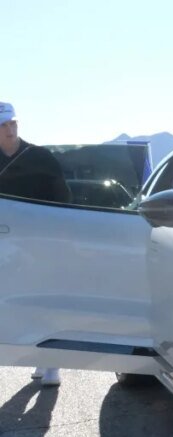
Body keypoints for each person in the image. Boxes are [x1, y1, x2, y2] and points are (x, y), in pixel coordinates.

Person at [0, 101, 71, 387]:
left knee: (43, 301)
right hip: (4, 244)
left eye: (12, 123)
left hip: (41, 244)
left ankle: (51, 362)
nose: (9, 129)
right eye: (3, 125)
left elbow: (63, 198)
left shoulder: (41, 157)